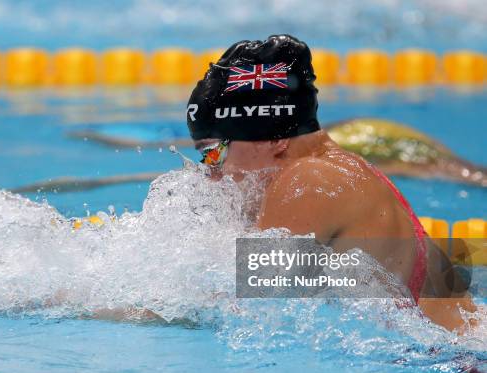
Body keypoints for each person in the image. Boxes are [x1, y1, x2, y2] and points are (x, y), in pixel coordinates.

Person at [187, 34, 477, 332]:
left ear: (274, 137)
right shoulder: (340, 169)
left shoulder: (308, 182)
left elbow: (243, 311)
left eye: (213, 152)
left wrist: (146, 314)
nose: (212, 174)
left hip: (460, 363)